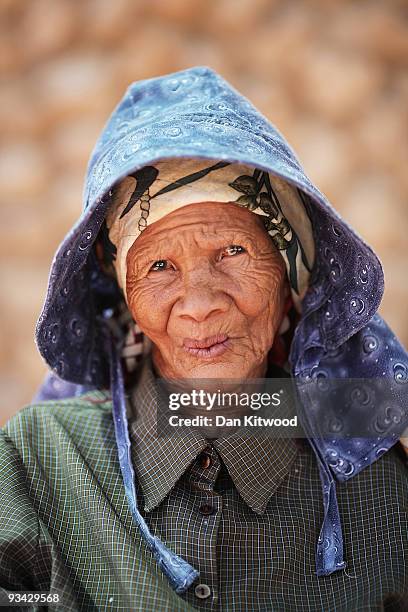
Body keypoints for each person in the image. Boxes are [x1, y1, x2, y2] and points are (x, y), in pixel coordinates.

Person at [0, 67, 407, 612]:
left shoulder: (381, 487)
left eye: (233, 252)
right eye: (160, 266)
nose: (199, 302)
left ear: (291, 276)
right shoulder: (38, 460)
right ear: (127, 301)